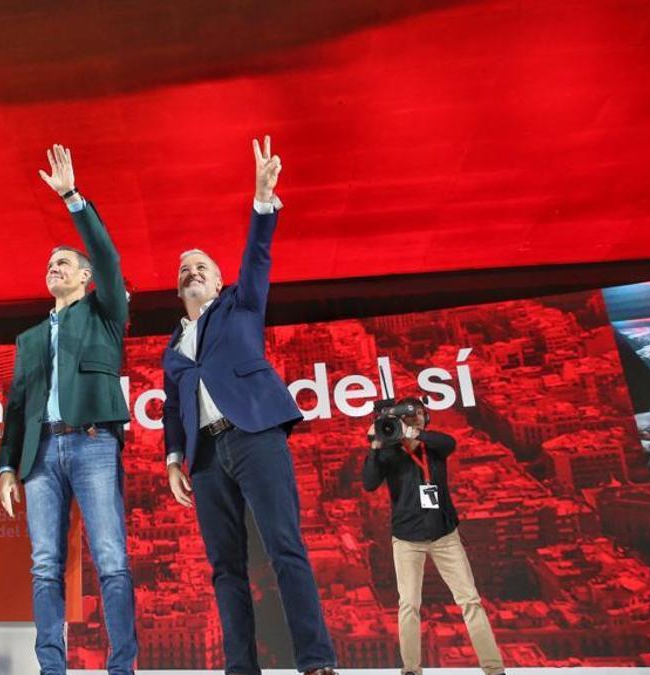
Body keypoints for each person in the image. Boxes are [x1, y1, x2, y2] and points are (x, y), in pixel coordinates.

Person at [161, 136, 338, 675]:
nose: (192, 270)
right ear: (178, 290)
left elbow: (257, 254)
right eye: (184, 269)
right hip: (207, 460)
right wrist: (173, 459)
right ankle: (240, 668)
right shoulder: (171, 350)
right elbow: (173, 407)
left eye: (201, 266)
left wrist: (262, 200)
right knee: (224, 568)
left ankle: (316, 661)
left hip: (255, 435)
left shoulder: (241, 304)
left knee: (285, 547)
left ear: (218, 281)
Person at [0, 144, 136, 674]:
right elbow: (15, 408)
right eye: (50, 265)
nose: (54, 269)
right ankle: (51, 667)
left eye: (64, 263)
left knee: (112, 561)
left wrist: (72, 198)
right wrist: (8, 465)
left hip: (93, 442)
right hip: (38, 456)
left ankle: (121, 667)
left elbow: (108, 256)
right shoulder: (29, 338)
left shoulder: (104, 313)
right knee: (44, 567)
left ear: (84, 277)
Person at [362, 397, 506, 675]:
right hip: (406, 538)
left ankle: (493, 668)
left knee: (470, 600)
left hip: (444, 535)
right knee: (409, 605)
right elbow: (369, 483)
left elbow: (448, 442)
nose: (414, 419)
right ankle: (411, 670)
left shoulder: (434, 447)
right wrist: (376, 444)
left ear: (426, 419)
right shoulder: (391, 453)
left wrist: (416, 434)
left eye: (418, 415)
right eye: (409, 417)